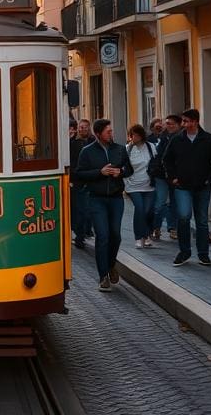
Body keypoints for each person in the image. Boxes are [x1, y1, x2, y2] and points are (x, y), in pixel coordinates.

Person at [75, 119, 133, 292]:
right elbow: (79, 174)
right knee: (103, 236)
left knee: (116, 235)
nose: (111, 134)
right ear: (98, 134)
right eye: (108, 132)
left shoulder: (120, 149)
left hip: (116, 198)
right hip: (96, 199)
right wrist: (99, 173)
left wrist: (120, 172)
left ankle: (110, 265)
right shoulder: (87, 151)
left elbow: (129, 169)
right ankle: (103, 276)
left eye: (111, 131)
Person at [164, 108, 211, 266]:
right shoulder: (177, 139)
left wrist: (210, 178)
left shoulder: (208, 139)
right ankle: (184, 252)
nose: (183, 124)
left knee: (202, 221)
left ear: (196, 122)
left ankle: (203, 254)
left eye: (187, 121)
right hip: (182, 186)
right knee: (183, 217)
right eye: (183, 121)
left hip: (202, 186)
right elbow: (167, 160)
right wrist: (173, 178)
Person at [149, 114, 182, 241]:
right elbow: (158, 156)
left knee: (174, 203)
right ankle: (155, 227)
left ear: (178, 125)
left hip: (176, 176)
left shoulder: (181, 138)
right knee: (160, 203)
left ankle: (173, 228)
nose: (168, 126)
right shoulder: (164, 137)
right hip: (161, 175)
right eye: (167, 123)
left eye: (172, 124)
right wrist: (154, 169)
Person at [125, 125, 157, 249]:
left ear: (142, 135)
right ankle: (139, 237)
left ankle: (147, 234)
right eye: (132, 135)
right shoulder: (127, 149)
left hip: (149, 184)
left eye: (137, 135)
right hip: (133, 185)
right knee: (140, 209)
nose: (134, 137)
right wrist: (126, 181)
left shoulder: (150, 147)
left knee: (148, 211)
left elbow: (156, 162)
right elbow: (124, 167)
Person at [68, 119, 89, 249]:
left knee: (86, 211)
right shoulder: (73, 143)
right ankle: (80, 235)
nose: (83, 129)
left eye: (85, 127)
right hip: (77, 181)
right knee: (79, 210)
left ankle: (84, 232)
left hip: (90, 181)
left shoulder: (92, 142)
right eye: (81, 127)